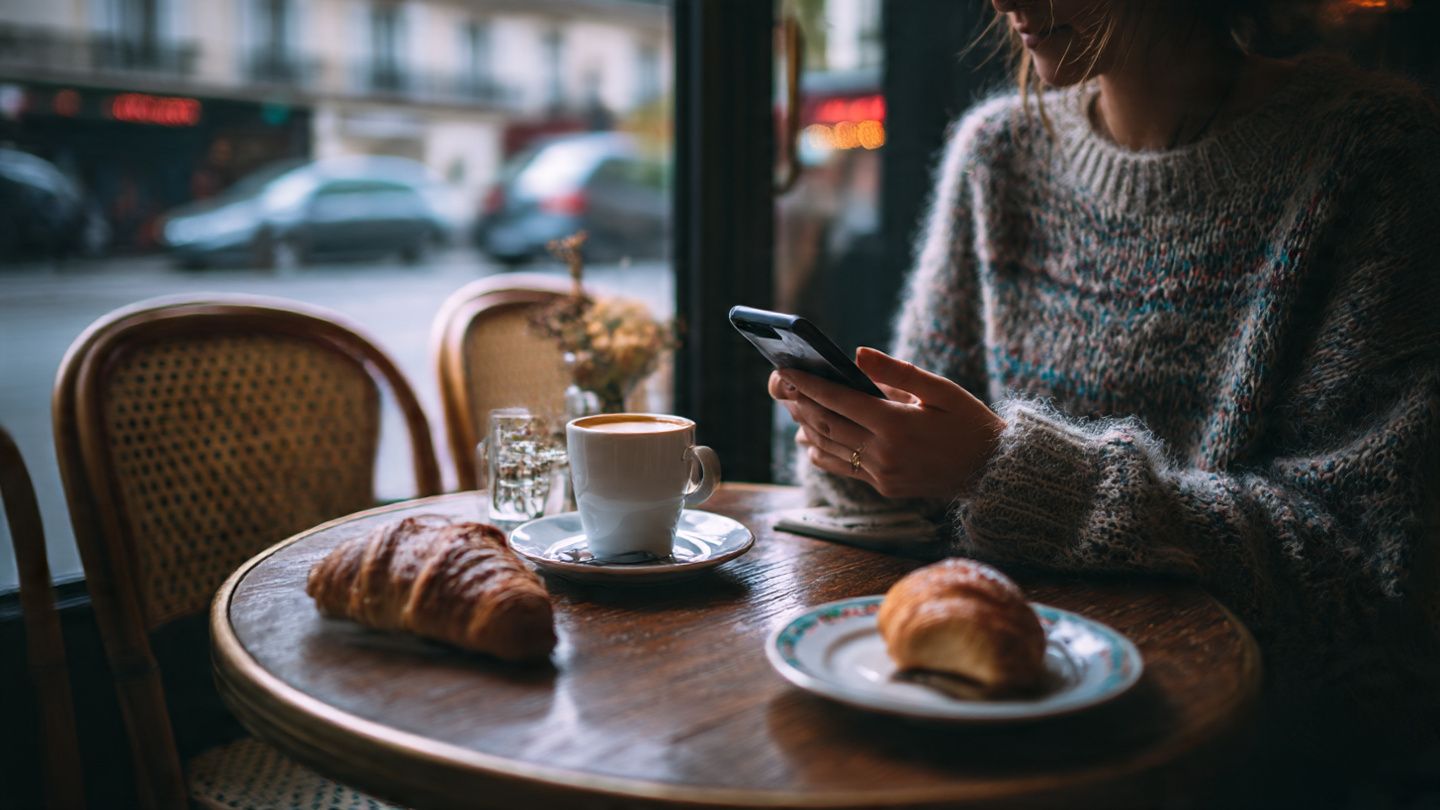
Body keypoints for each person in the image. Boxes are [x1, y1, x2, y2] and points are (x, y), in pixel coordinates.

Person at [771, 0, 1440, 763]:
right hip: (971, 721)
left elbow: (1367, 582)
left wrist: (999, 471)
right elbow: (908, 519)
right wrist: (861, 452)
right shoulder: (998, 154)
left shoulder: (1373, 154)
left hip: (1230, 752)